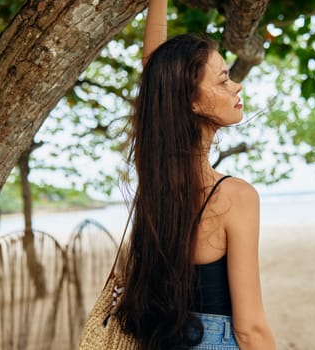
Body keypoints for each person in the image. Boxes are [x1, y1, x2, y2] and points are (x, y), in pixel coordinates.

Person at [114, 0, 276, 348]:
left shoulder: (156, 178)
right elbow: (250, 329)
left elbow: (157, 75)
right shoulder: (234, 196)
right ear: (190, 100)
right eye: (222, 80)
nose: (237, 87)